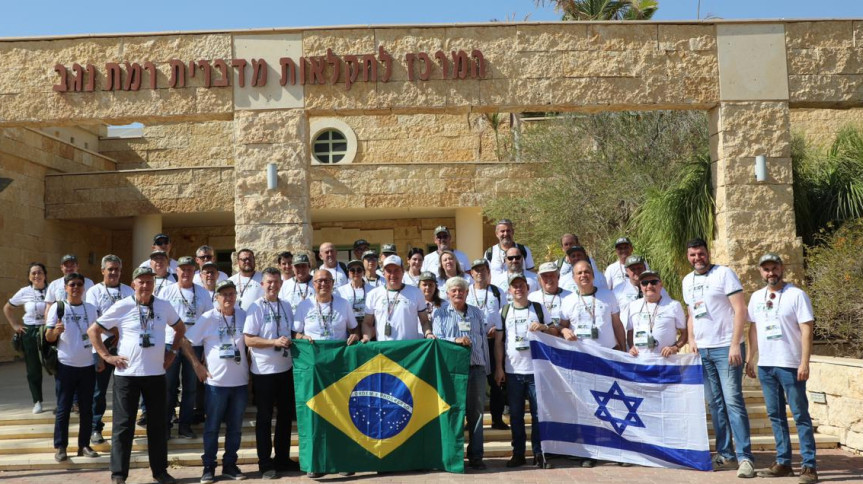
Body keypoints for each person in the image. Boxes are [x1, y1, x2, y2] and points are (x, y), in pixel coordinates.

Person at [88, 266, 207, 484]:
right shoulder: (122, 306)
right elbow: (93, 331)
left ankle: (160, 471)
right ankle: (119, 475)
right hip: (127, 375)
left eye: (149, 281)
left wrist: (172, 352)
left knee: (158, 425)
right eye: (141, 281)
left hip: (155, 375)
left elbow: (180, 329)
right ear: (133, 284)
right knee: (123, 426)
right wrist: (107, 356)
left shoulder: (163, 305)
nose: (145, 285)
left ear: (154, 284)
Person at [681, 238, 754, 477]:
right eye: (692, 255)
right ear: (688, 256)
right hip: (703, 350)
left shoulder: (724, 274)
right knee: (715, 404)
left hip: (726, 348)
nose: (697, 258)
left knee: (733, 400)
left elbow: (740, 309)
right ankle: (726, 454)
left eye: (700, 254)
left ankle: (745, 457)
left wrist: (735, 344)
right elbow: (692, 314)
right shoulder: (687, 281)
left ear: (707, 253)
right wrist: (691, 339)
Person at [745, 254, 818, 483]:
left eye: (774, 268)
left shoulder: (797, 295)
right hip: (766, 366)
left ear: (782, 268)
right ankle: (784, 462)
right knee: (775, 416)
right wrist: (750, 358)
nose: (770, 273)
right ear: (760, 271)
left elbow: (807, 329)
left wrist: (804, 362)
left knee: (800, 415)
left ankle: (809, 466)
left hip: (790, 365)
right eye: (766, 269)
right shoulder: (757, 297)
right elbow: (754, 329)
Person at [558, 259, 626, 467]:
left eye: (587, 271)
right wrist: (563, 331)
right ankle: (590, 451)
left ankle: (618, 450)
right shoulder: (568, 300)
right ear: (573, 278)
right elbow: (561, 327)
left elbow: (617, 324)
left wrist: (623, 351)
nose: (583, 275)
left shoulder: (607, 295)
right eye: (579, 273)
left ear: (593, 274)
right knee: (588, 408)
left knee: (613, 406)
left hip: (608, 358)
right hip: (582, 361)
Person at [243, 267, 297, 479]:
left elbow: (291, 332)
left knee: (285, 417)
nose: (273, 285)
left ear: (281, 284)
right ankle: (265, 463)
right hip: (263, 371)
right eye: (269, 282)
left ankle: (282, 459)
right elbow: (249, 339)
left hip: (285, 368)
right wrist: (273, 342)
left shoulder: (286, 306)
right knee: (264, 418)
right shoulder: (255, 307)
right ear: (262, 285)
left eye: (276, 282)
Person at [494, 273, 553, 469]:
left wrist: (543, 326)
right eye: (514, 286)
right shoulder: (504, 311)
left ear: (527, 288)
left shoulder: (538, 308)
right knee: (516, 415)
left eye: (521, 285)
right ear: (509, 290)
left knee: (538, 415)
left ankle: (538, 453)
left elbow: (555, 331)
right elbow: (499, 342)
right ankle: (518, 453)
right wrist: (499, 368)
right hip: (513, 372)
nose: (518, 288)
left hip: (536, 370)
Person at [432, 277, 489, 471]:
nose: (458, 293)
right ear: (447, 293)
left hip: (476, 369)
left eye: (461, 290)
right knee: (452, 414)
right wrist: (455, 339)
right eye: (454, 290)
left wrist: (487, 368)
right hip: (452, 372)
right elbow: (437, 340)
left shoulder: (477, 313)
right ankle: (452, 457)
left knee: (477, 415)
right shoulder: (439, 314)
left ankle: (476, 457)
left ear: (467, 293)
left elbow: (483, 343)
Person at [197, 280, 248, 483]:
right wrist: (197, 365)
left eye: (231, 294)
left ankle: (230, 465)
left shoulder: (244, 315)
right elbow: (186, 340)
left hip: (240, 382)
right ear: (216, 298)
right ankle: (208, 466)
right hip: (216, 384)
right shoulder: (207, 318)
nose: (228, 298)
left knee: (235, 427)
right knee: (212, 427)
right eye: (223, 294)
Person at [45, 272, 100, 462]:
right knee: (63, 408)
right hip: (65, 364)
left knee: (86, 409)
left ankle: (84, 445)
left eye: (79, 285)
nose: (75, 288)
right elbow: (48, 337)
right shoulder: (58, 308)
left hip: (87, 365)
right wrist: (54, 331)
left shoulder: (91, 308)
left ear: (83, 288)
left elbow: (96, 335)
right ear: (66, 288)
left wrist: (100, 357)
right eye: (72, 285)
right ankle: (61, 447)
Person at [160, 256, 213, 439]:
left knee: (190, 388)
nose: (186, 273)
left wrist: (206, 349)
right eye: (183, 269)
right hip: (171, 343)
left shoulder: (203, 293)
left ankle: (185, 426)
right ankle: (165, 426)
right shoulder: (167, 292)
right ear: (177, 271)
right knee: (168, 386)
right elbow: (159, 319)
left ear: (194, 272)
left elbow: (209, 321)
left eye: (190, 269)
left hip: (195, 345)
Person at [85, 255, 133, 444]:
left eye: (117, 269)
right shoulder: (94, 292)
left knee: (125, 391)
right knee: (99, 392)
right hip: (101, 348)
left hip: (125, 348)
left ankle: (122, 429)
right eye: (110, 269)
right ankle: (95, 428)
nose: (114, 273)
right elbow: (93, 320)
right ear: (103, 270)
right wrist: (113, 329)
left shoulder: (129, 290)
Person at [4, 262, 49, 414]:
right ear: (29, 277)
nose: (37, 275)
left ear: (45, 274)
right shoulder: (24, 291)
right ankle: (37, 401)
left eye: (40, 272)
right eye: (33, 273)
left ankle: (64, 401)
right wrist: (16, 326)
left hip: (48, 331)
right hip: (29, 331)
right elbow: (7, 308)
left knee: (56, 366)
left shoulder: (52, 290)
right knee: (33, 368)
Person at [468, 259, 507, 431]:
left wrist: (498, 329)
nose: (479, 273)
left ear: (488, 272)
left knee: (496, 382)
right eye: (476, 270)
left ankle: (497, 419)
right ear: (471, 273)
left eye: (483, 270)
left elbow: (504, 314)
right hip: (473, 344)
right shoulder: (466, 291)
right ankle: (471, 421)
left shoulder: (497, 292)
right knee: (472, 384)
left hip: (493, 342)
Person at [361, 255, 433, 342]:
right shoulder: (373, 294)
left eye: (396, 270)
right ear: (383, 273)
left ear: (403, 271)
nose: (392, 275)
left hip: (410, 349)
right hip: (384, 350)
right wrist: (366, 337)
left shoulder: (416, 292)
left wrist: (428, 334)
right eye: (389, 271)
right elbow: (367, 323)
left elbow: (424, 321)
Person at [622, 270, 687, 357]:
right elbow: (630, 332)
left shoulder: (674, 305)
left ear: (661, 284)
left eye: (653, 282)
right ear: (640, 286)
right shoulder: (633, 306)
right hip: (641, 361)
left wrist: (675, 347)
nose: (649, 286)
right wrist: (632, 347)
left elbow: (685, 333)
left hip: (666, 361)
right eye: (645, 283)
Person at [528, 262, 571, 334]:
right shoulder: (532, 297)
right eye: (545, 276)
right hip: (541, 341)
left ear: (558, 277)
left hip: (564, 341)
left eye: (552, 275)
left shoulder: (570, 296)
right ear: (539, 279)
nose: (549, 278)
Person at [336, 259, 372, 328]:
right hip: (349, 328)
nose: (356, 273)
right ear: (348, 273)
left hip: (368, 325)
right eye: (352, 270)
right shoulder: (340, 291)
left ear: (363, 272)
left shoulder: (372, 290)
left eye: (359, 270)